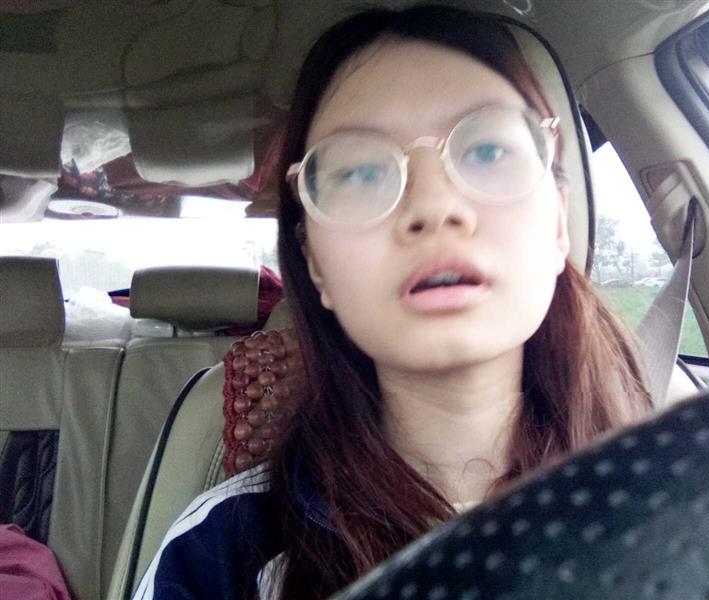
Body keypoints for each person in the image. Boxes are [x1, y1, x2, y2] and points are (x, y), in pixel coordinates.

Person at [134, 5, 651, 599]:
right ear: (315, 263)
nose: (433, 207)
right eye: (360, 173)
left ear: (558, 221)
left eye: (487, 150)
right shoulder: (216, 557)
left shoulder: (688, 490)